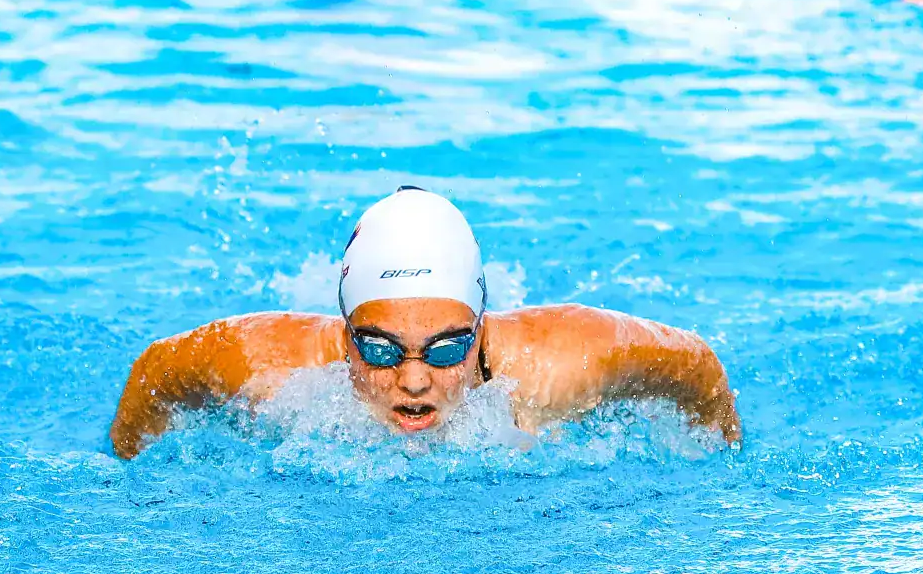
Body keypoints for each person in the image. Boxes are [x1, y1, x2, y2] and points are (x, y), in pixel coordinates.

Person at [109, 187, 741, 459]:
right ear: (345, 337)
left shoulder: (562, 363)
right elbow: (156, 370)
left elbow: (697, 365)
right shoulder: (272, 366)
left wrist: (721, 460)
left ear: (480, 331)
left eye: (445, 350)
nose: (413, 381)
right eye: (382, 350)